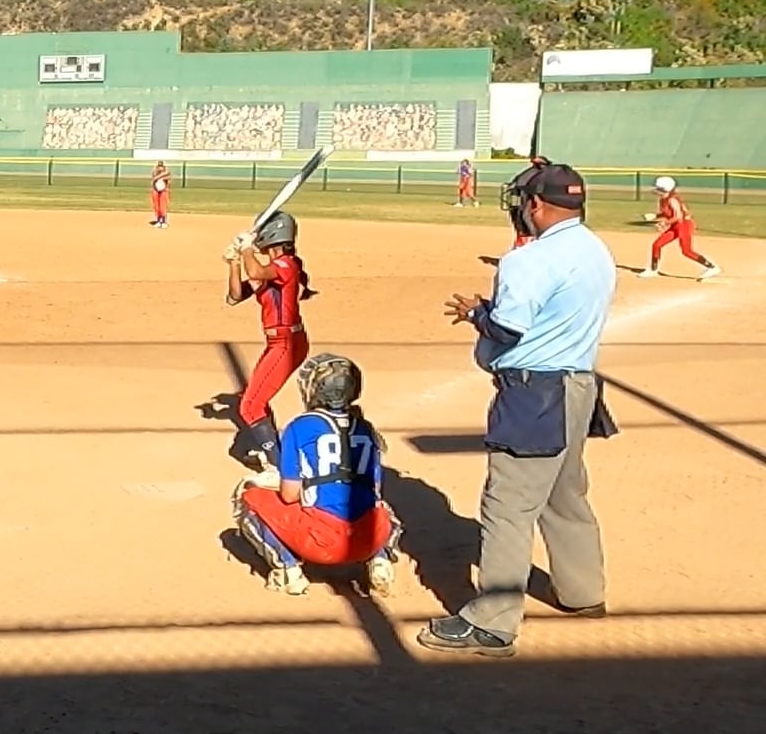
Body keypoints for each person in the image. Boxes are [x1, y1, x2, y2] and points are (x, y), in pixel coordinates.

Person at [424, 160, 618, 658]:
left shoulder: (527, 260)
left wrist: (477, 314)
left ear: (535, 204)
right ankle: (583, 592)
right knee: (564, 493)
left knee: (507, 506)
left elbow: (508, 329)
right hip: (579, 389)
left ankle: (492, 623)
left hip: (534, 394)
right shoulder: (596, 249)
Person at [232, 353, 403, 597]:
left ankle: (288, 571)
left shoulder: (299, 426)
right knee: (383, 509)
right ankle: (381, 560)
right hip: (369, 539)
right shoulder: (367, 429)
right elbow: (375, 490)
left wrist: (278, 478)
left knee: (249, 494)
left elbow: (289, 495)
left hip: (322, 543)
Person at [223, 211, 315, 470]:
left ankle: (281, 468)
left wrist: (246, 249)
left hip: (288, 343)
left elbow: (256, 270)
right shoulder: (268, 271)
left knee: (250, 406)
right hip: (279, 343)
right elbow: (234, 296)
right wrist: (234, 262)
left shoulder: (287, 264)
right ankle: (275, 452)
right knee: (255, 399)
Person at [639, 176, 720, 281]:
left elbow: (678, 216)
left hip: (684, 225)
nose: (656, 190)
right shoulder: (663, 199)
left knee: (687, 251)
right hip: (676, 225)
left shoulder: (672, 199)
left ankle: (712, 268)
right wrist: (655, 216)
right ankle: (653, 270)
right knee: (657, 245)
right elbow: (668, 213)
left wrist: (664, 223)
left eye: (658, 188)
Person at [149, 161, 172, 228]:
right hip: (156, 191)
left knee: (162, 207)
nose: (160, 168)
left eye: (161, 166)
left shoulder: (166, 174)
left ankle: (164, 221)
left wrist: (158, 177)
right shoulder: (155, 173)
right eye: (159, 166)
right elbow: (153, 179)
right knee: (157, 207)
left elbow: (168, 176)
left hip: (163, 191)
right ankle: (158, 221)